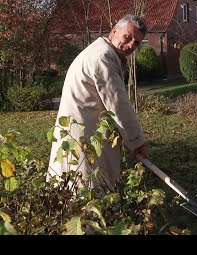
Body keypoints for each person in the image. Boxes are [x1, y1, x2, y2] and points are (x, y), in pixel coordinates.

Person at [47, 14, 149, 192]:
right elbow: (118, 104)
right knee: (87, 190)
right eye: (128, 37)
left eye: (137, 42)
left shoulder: (102, 52)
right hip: (84, 134)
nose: (132, 44)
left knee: (76, 187)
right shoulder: (103, 57)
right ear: (114, 31)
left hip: (85, 130)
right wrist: (137, 142)